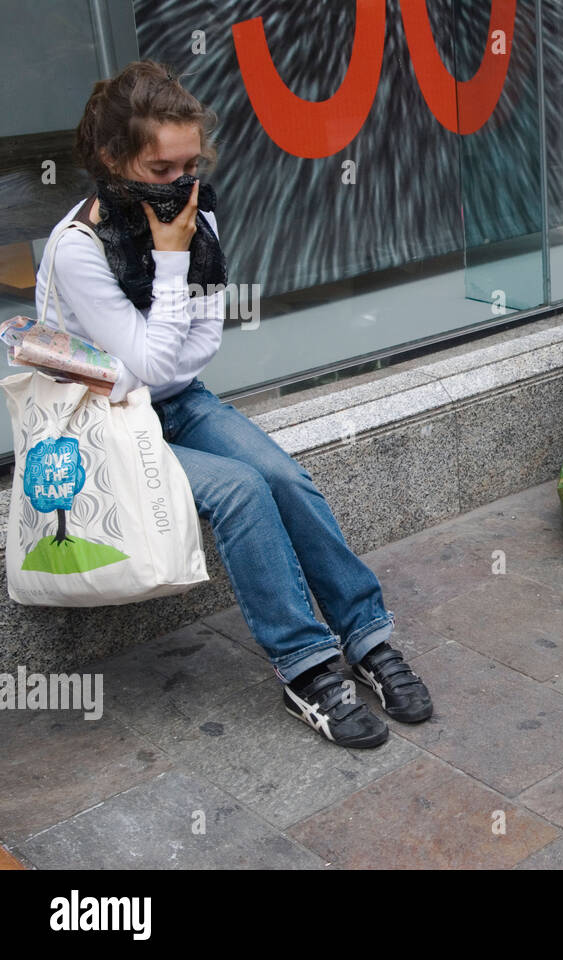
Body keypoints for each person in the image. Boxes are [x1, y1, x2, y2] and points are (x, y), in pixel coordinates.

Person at [35, 61, 433, 749]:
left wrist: (157, 343)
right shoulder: (77, 250)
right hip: (101, 426)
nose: (182, 184)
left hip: (172, 399)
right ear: (112, 157)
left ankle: (366, 636)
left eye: (191, 164)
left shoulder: (195, 207)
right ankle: (307, 672)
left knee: (282, 475)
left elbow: (194, 349)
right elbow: (163, 355)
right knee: (243, 490)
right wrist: (167, 260)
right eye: (162, 170)